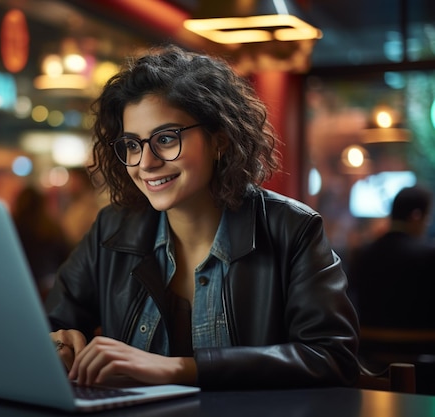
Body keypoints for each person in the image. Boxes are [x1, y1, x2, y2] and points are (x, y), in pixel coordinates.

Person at [45, 45, 359, 390]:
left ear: (219, 140)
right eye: (132, 145)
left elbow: (332, 358)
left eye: (165, 139)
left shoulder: (292, 229)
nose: (145, 163)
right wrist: (58, 342)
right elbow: (50, 323)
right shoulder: (113, 228)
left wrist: (179, 369)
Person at [350, 185, 435, 329]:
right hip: (420, 344)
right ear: (416, 216)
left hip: (369, 345)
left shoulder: (363, 253)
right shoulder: (429, 255)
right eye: (427, 219)